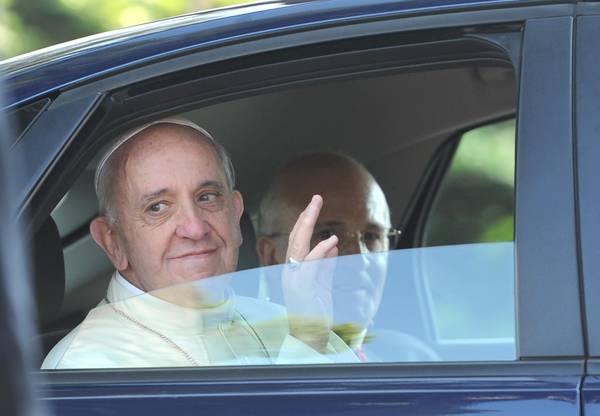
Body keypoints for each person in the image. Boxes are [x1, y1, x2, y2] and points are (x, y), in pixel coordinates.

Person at [41, 118, 355, 369]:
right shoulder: (88, 367)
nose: (194, 228)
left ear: (235, 214)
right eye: (158, 207)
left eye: (207, 197)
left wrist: (310, 333)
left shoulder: (286, 321)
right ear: (113, 243)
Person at [256, 152, 438, 362]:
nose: (359, 258)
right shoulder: (239, 366)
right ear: (270, 256)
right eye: (327, 236)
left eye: (371, 237)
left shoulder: (413, 361)